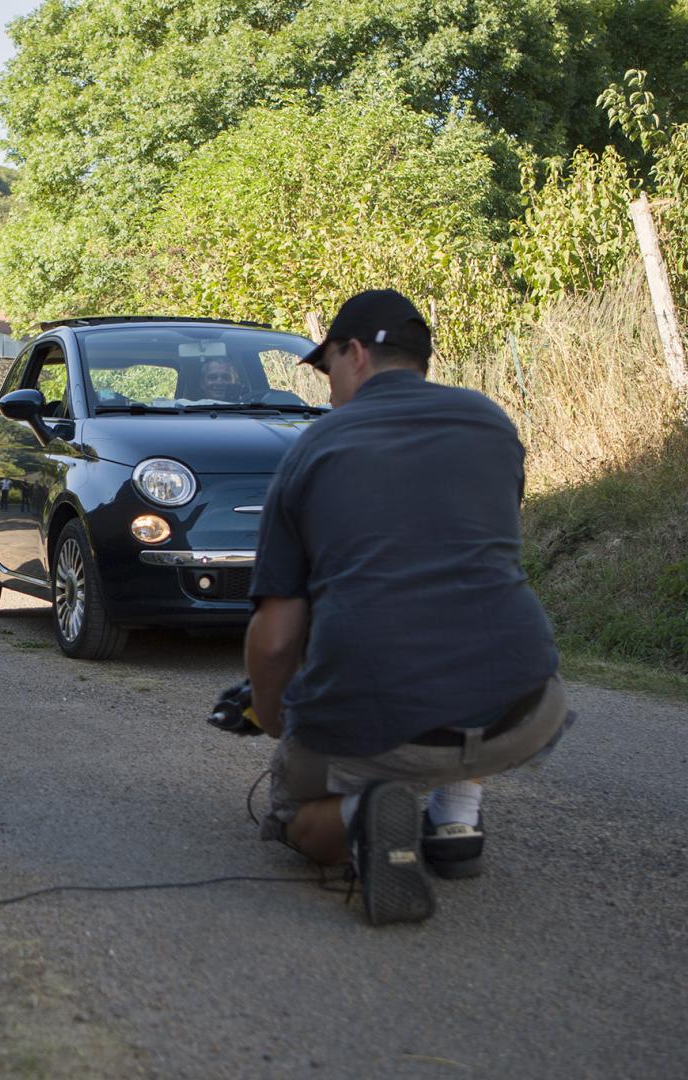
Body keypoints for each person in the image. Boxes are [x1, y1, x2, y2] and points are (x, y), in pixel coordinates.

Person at [240, 289, 568, 926]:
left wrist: (275, 716)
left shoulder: (314, 446)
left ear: (355, 354)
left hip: (391, 718)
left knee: (292, 809)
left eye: (327, 367)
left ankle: (362, 813)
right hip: (526, 707)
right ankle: (456, 818)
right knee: (458, 624)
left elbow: (276, 636)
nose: (329, 387)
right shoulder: (490, 422)